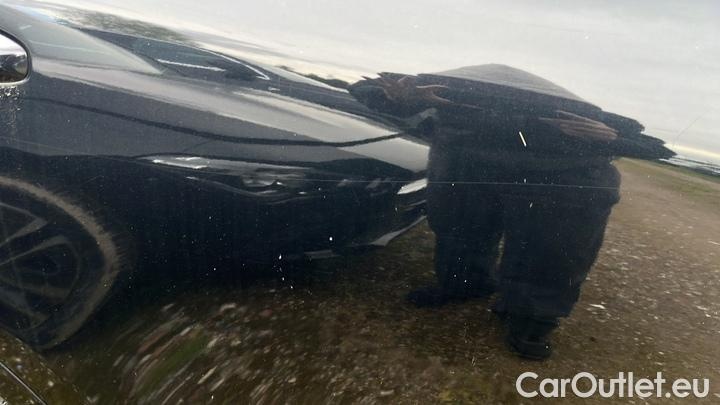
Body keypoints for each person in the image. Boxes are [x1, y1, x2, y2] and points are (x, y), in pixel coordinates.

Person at [349, 65, 672, 360]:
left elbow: (655, 148)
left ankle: (531, 322)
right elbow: (364, 90)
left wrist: (611, 137)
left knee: (551, 252)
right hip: (467, 165)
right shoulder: (433, 91)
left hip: (563, 177)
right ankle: (464, 286)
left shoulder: (583, 118)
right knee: (458, 231)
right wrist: (402, 99)